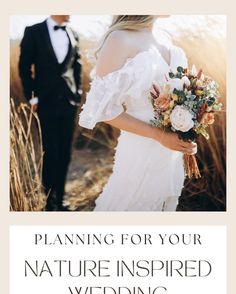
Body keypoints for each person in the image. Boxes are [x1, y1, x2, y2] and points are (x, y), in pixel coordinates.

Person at [79, 15, 197, 211]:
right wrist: (159, 135)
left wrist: (187, 134)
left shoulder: (165, 38)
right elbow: (104, 109)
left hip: (170, 152)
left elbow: (182, 99)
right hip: (141, 147)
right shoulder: (120, 38)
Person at [19, 15, 82, 211]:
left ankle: (61, 198)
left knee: (64, 152)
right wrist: (32, 97)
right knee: (50, 152)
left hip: (68, 102)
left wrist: (78, 92)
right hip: (44, 102)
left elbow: (76, 66)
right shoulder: (33, 31)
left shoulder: (74, 34)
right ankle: (50, 201)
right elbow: (24, 67)